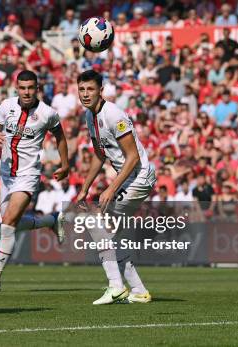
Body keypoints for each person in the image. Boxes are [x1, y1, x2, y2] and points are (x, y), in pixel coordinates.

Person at [0, 70, 69, 294]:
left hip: (28, 175)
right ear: (17, 88)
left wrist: (65, 164)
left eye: (30, 88)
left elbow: (61, 137)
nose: (26, 92)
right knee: (10, 223)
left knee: (7, 223)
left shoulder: (47, 113)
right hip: (6, 174)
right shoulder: (6, 106)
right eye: (22, 88)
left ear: (37, 89)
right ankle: (50, 221)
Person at [75, 70, 156, 305]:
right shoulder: (90, 117)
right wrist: (85, 188)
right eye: (82, 89)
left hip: (139, 176)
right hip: (128, 178)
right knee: (113, 236)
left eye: (90, 89)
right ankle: (138, 291)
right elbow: (100, 155)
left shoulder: (113, 115)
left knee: (96, 223)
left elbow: (132, 157)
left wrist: (110, 188)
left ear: (101, 91)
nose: (86, 94)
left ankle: (116, 286)